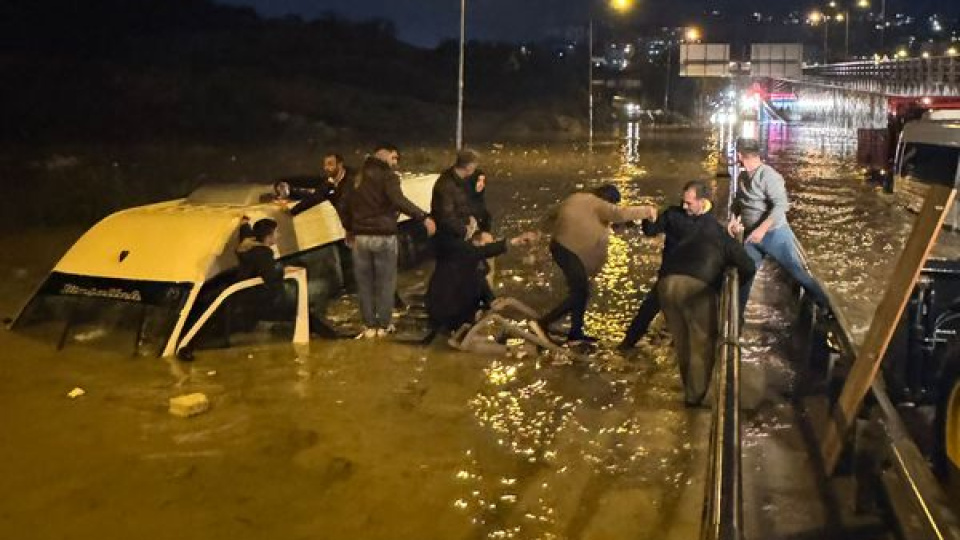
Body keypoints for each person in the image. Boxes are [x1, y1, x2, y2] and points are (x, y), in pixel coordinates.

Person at [532, 184, 657, 344]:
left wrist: (541, 234)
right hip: (569, 251)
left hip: (561, 247)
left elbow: (552, 214)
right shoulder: (597, 204)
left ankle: (576, 332)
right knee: (580, 293)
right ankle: (544, 323)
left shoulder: (577, 198)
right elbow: (618, 213)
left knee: (581, 292)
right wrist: (647, 210)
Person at [340, 143, 436, 338]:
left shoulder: (355, 177)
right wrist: (423, 217)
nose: (395, 163)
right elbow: (398, 200)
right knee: (386, 282)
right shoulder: (388, 177)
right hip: (384, 236)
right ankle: (383, 325)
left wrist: (349, 228)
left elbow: (344, 206)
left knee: (364, 283)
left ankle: (369, 326)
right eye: (393, 158)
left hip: (361, 238)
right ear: (383, 155)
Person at [728, 138, 830, 317]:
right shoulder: (743, 177)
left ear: (739, 155)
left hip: (775, 235)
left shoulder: (769, 176)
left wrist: (761, 230)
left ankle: (825, 304)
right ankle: (736, 318)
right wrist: (733, 219)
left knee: (797, 272)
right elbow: (739, 202)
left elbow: (781, 205)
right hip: (753, 238)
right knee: (745, 273)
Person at [658, 219, 756, 406]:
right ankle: (694, 398)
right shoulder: (725, 240)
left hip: (666, 284)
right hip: (697, 288)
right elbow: (749, 266)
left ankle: (689, 386)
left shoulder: (693, 233)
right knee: (701, 344)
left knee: (682, 342)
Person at [619, 180, 723, 351]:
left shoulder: (712, 225)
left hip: (693, 281)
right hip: (669, 276)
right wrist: (649, 219)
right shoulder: (673, 214)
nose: (684, 206)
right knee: (647, 311)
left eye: (688, 203)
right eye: (683, 201)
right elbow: (652, 231)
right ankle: (626, 345)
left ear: (702, 201)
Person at [426, 219, 537, 334]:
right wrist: (515, 241)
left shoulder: (478, 263)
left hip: (457, 305)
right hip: (446, 308)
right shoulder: (462, 251)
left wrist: (491, 300)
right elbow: (485, 251)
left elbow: (481, 281)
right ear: (476, 242)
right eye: (487, 244)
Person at [431, 149, 480, 240]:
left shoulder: (460, 179)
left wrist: (470, 219)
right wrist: (465, 231)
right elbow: (446, 217)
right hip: (448, 235)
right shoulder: (446, 184)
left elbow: (463, 204)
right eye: (475, 166)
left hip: (460, 228)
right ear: (469, 166)